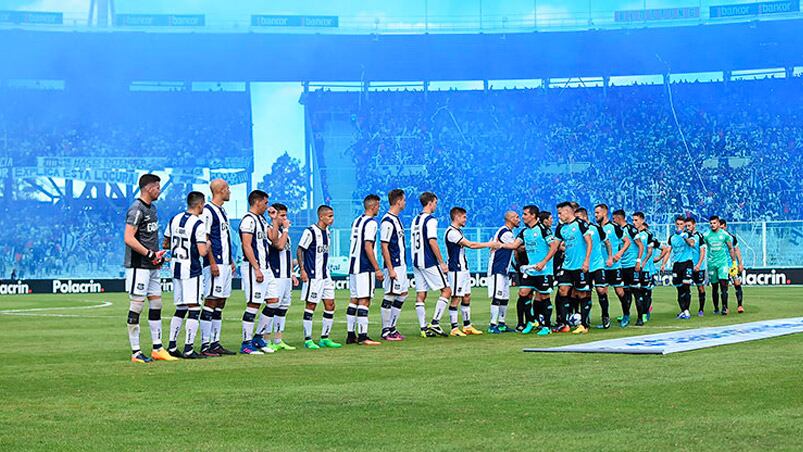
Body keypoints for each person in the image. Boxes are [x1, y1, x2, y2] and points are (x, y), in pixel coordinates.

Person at [123, 173, 175, 363]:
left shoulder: (152, 208)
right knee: (137, 305)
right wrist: (149, 254)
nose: (159, 191)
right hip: (139, 265)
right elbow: (128, 238)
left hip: (151, 265)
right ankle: (136, 352)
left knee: (157, 304)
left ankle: (157, 347)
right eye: (158, 187)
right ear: (149, 188)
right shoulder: (136, 208)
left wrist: (157, 254)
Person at [164, 191, 209, 359]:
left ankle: (172, 345)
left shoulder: (174, 219)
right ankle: (189, 348)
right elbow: (203, 251)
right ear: (199, 205)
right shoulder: (198, 224)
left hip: (176, 268)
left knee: (180, 308)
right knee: (194, 308)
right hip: (192, 270)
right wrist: (208, 242)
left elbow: (166, 242)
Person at [442, 206, 497, 336]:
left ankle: (467, 326)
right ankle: (454, 328)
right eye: (464, 217)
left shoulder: (458, 231)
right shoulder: (451, 232)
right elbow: (471, 245)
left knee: (467, 296)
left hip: (463, 269)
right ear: (457, 217)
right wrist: (489, 244)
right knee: (456, 297)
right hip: (456, 269)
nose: (466, 219)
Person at [199, 179, 236, 356]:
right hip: (215, 263)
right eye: (227, 189)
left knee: (220, 301)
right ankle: (205, 345)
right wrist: (212, 261)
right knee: (212, 300)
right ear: (221, 190)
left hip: (225, 263)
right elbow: (206, 238)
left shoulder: (222, 211)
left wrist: (230, 260)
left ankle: (215, 342)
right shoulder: (208, 210)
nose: (229, 192)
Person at [297, 205, 342, 350]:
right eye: (329, 216)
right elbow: (300, 250)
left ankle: (325, 337)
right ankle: (308, 339)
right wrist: (302, 270)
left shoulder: (328, 232)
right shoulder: (310, 232)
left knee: (330, 305)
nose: (332, 218)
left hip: (325, 275)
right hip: (313, 275)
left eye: (332, 216)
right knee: (311, 305)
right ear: (321, 216)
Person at [238, 190, 275, 355]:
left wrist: (274, 220)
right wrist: (256, 268)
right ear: (258, 202)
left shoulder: (262, 219)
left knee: (273, 301)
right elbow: (246, 245)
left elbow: (273, 237)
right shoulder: (248, 220)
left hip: (266, 267)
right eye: (265, 203)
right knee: (254, 303)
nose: (267, 206)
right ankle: (246, 344)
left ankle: (258, 337)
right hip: (254, 267)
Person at [410, 192, 451, 338]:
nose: (436, 206)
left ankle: (423, 328)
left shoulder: (415, 219)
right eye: (435, 203)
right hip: (428, 261)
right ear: (430, 203)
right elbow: (432, 241)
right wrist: (441, 262)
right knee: (446, 290)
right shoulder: (431, 220)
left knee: (421, 294)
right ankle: (435, 322)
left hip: (416, 261)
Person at [346, 195, 383, 345]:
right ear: (373, 207)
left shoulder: (357, 220)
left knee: (354, 299)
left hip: (353, 264)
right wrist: (377, 268)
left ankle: (350, 335)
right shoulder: (371, 223)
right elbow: (368, 246)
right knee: (365, 299)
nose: (379, 209)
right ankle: (363, 336)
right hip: (364, 265)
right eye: (378, 206)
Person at [262, 203, 298, 351]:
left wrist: (292, 273)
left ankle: (278, 339)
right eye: (282, 215)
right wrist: (286, 229)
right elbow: (279, 246)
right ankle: (265, 339)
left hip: (286, 276)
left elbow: (287, 256)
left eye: (285, 215)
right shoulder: (271, 230)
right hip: (275, 275)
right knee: (272, 307)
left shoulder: (284, 233)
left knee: (283, 309)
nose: (285, 218)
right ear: (275, 216)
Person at [553, 202, 593, 334]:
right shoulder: (560, 228)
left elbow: (589, 242)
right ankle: (565, 324)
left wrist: (586, 261)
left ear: (567, 212)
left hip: (580, 266)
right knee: (563, 290)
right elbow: (555, 246)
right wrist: (544, 261)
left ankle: (584, 325)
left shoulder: (581, 224)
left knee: (582, 293)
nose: (559, 215)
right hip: (567, 266)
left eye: (560, 213)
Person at [379, 189, 409, 341]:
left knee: (403, 294)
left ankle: (392, 327)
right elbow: (384, 246)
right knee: (390, 295)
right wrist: (390, 269)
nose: (404, 203)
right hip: (394, 265)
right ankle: (385, 331)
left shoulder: (396, 219)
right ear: (398, 201)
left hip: (401, 264)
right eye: (403, 200)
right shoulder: (387, 221)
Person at [594, 204, 630, 329]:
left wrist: (619, 253)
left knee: (619, 291)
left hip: (615, 266)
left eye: (598, 213)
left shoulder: (615, 227)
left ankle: (626, 315)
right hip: (601, 266)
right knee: (601, 291)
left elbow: (627, 242)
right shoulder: (595, 229)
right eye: (595, 213)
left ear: (604, 213)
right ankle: (605, 317)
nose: (596, 215)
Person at [576, 208, 612, 330]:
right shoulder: (576, 230)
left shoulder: (596, 228)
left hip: (597, 264)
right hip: (583, 266)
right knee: (585, 292)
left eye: (578, 218)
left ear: (585, 217)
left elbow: (607, 242)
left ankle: (605, 315)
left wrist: (610, 257)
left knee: (601, 290)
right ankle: (586, 319)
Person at [486, 211, 521, 334]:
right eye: (516, 217)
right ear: (510, 219)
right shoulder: (505, 232)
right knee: (497, 296)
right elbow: (514, 246)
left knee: (505, 297)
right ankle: (492, 324)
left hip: (504, 269)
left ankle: (501, 323)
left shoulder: (508, 232)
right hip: (497, 268)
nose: (519, 219)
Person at [612, 209, 643, 328]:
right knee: (624, 293)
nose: (613, 220)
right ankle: (626, 315)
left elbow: (640, 245)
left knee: (636, 291)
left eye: (614, 218)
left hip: (632, 266)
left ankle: (640, 317)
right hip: (621, 266)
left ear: (619, 218)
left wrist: (638, 261)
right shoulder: (617, 230)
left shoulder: (630, 229)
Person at [703, 216, 737, 315]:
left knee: (723, 285)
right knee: (714, 287)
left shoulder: (725, 235)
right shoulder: (706, 235)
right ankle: (716, 308)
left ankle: (725, 307)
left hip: (722, 263)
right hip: (711, 263)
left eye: (714, 223)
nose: (712, 225)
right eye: (711, 223)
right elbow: (701, 247)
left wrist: (734, 262)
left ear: (718, 223)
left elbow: (731, 248)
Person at [667, 215, 696, 320]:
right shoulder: (672, 237)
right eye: (677, 224)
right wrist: (663, 263)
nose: (679, 226)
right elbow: (669, 250)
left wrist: (684, 236)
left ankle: (687, 311)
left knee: (686, 287)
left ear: (684, 225)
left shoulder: (688, 234)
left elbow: (692, 244)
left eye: (681, 224)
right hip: (677, 264)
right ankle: (683, 310)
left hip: (687, 263)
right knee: (679, 289)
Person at [720, 219, 745, 313]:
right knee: (724, 286)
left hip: (732, 264)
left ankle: (740, 305)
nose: (721, 229)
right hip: (722, 265)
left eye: (722, 227)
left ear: (725, 226)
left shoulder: (731, 237)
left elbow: (737, 250)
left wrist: (740, 263)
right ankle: (725, 307)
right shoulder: (717, 238)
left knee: (737, 283)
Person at [686, 217, 708, 316]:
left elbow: (703, 252)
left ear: (694, 225)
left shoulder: (699, 236)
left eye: (689, 225)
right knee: (685, 287)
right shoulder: (685, 236)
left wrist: (698, 264)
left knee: (700, 287)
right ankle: (686, 310)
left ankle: (701, 309)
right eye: (686, 226)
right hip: (688, 266)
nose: (687, 227)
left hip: (699, 267)